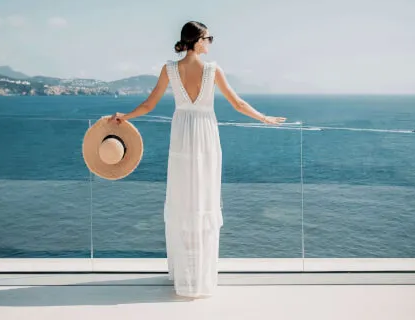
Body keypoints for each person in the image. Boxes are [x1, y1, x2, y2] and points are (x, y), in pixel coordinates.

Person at [108, 21, 287, 298]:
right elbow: (237, 104)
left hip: (181, 136)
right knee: (203, 198)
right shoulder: (213, 70)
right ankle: (200, 276)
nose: (211, 42)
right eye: (208, 37)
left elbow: (148, 105)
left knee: (183, 199)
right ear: (196, 41)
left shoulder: (169, 69)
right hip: (204, 136)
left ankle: (183, 274)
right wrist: (264, 118)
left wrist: (125, 116)